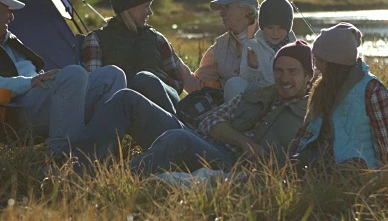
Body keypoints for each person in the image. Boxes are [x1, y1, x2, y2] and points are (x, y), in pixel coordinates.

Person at [0, 0, 126, 157]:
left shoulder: (4, 38)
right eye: (6, 11)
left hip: (34, 99)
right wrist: (28, 83)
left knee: (112, 75)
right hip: (10, 111)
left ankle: (102, 151)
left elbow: (30, 73)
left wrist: (42, 81)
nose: (11, 17)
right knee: (74, 74)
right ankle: (61, 157)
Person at [130, 41, 314, 175]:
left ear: (308, 76)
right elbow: (209, 121)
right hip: (206, 142)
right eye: (279, 71)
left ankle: (129, 175)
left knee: (178, 137)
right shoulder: (259, 92)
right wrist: (243, 141)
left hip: (233, 164)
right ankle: (102, 164)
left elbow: (295, 164)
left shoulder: (310, 113)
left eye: (293, 71)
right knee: (129, 99)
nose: (284, 78)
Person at [288, 22, 388, 177]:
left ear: (336, 64)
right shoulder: (321, 87)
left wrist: (384, 178)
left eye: (320, 60)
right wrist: (291, 161)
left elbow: (383, 142)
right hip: (321, 161)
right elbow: (306, 131)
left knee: (347, 171)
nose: (316, 65)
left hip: (358, 168)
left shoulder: (373, 90)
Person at [81, 0, 183, 114]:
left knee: (145, 80)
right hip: (123, 108)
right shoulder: (95, 40)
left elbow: (178, 85)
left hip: (163, 105)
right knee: (141, 81)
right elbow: (94, 87)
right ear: (129, 8)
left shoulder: (157, 38)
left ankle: (180, 127)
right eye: (146, 6)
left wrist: (157, 80)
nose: (150, 13)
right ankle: (183, 130)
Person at [179, 0, 259, 94]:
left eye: (227, 7)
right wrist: (173, 60)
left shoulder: (269, 38)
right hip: (232, 108)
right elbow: (197, 85)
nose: (221, 13)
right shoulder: (220, 46)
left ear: (246, 10)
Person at [224, 0, 297, 102]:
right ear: (262, 27)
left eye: (281, 28)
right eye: (270, 28)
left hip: (288, 95)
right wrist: (252, 67)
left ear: (288, 28)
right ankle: (244, 115)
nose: (275, 33)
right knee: (233, 84)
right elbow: (246, 79)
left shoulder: (297, 47)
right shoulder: (252, 46)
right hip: (260, 96)